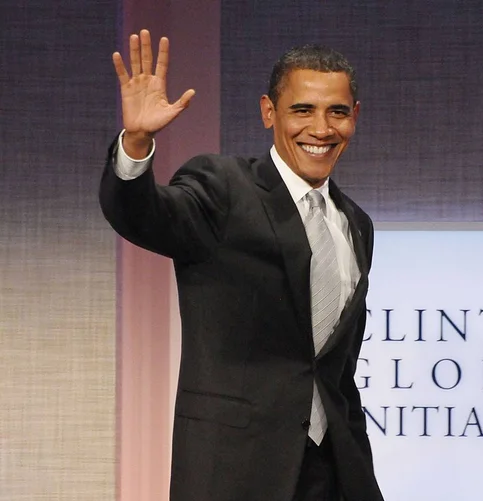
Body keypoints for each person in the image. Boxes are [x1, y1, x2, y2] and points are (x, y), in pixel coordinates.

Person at [100, 29, 384, 501]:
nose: (321, 128)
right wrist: (136, 143)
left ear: (354, 117)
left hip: (334, 471)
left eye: (337, 111)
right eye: (302, 110)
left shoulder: (356, 223)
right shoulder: (224, 187)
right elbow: (142, 215)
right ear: (268, 112)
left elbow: (334, 367)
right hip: (234, 469)